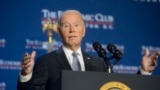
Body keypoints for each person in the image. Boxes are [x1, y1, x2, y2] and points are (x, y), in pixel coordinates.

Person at [17, 10, 160, 90]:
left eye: (76, 25)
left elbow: (117, 87)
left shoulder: (100, 64)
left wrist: (144, 72)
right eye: (66, 26)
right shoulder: (46, 62)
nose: (72, 29)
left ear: (84, 31)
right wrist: (26, 75)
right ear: (59, 32)